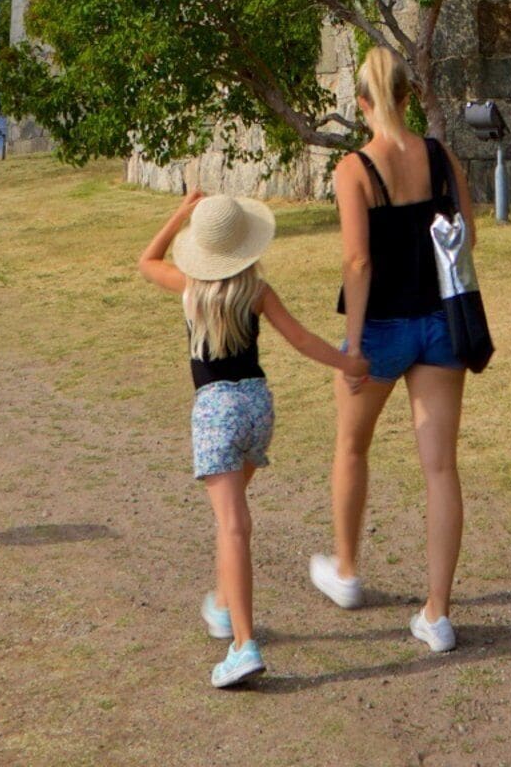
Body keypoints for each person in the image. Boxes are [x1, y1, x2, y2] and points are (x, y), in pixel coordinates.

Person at [137, 189, 352, 689]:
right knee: (228, 518)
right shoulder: (257, 291)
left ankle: (243, 645)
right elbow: (301, 340)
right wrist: (348, 363)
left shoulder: (191, 287)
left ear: (202, 247)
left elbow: (146, 261)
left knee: (233, 525)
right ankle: (220, 603)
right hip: (258, 406)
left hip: (215, 409)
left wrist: (179, 215)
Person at [312, 46, 473, 654]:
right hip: (439, 322)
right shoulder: (439, 155)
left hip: (379, 326)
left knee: (352, 446)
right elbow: (467, 236)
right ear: (406, 95)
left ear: (361, 104)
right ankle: (437, 614)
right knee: (440, 469)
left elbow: (358, 260)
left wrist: (353, 340)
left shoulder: (354, 169)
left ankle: (348, 571)